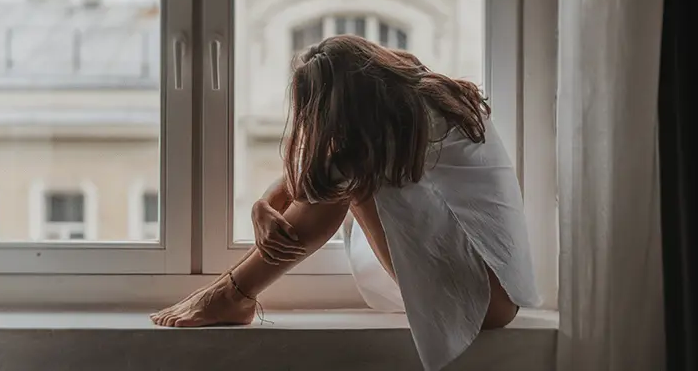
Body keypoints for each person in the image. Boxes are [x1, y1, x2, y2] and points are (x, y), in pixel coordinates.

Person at [150, 34, 540, 371]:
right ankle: (230, 291)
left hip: (483, 299)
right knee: (348, 173)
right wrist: (263, 204)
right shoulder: (421, 102)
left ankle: (233, 295)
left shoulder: (422, 118)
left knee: (351, 178)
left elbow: (328, 173)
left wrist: (270, 203)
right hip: (487, 290)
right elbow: (315, 170)